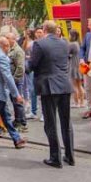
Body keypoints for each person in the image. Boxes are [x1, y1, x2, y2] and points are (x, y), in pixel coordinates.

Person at [28, 20, 74, 167]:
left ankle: (55, 157)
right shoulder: (64, 43)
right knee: (66, 122)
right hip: (64, 84)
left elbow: (33, 64)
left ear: (44, 29)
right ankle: (70, 155)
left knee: (51, 123)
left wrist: (25, 65)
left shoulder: (40, 44)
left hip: (48, 85)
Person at [6, 32, 27, 131]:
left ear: (13, 39)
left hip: (16, 80)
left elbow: (20, 68)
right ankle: (17, 119)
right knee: (14, 100)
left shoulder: (18, 51)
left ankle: (22, 122)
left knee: (18, 101)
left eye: (8, 38)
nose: (6, 39)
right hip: (11, 80)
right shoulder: (9, 49)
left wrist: (14, 80)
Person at [67, 30, 85, 108]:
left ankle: (76, 102)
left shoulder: (71, 44)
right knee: (80, 85)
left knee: (74, 85)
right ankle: (82, 102)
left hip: (73, 65)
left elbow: (66, 54)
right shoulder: (79, 43)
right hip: (80, 65)